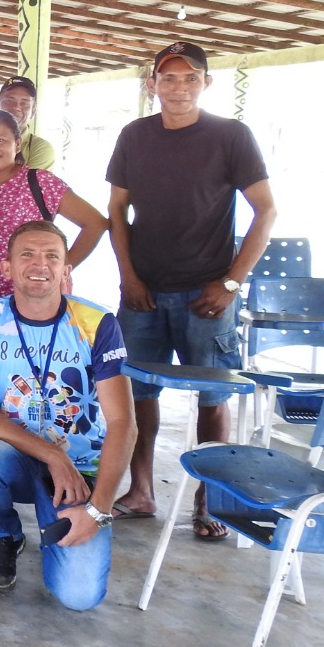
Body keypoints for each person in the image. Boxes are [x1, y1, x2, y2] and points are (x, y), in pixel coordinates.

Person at [106, 41, 276, 533]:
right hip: (144, 293)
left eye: (190, 77)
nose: (179, 87)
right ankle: (141, 491)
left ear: (207, 82)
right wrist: (129, 277)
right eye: (168, 77)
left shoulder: (231, 136)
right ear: (152, 84)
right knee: (137, 394)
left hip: (208, 295)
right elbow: (117, 210)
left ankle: (209, 501)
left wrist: (231, 282)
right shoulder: (134, 136)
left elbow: (266, 209)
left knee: (211, 398)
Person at [0, 221, 135, 608]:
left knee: (79, 596)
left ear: (66, 270)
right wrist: (51, 454)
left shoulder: (97, 323)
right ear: (6, 268)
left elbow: (122, 423)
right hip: (11, 456)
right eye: (27, 254)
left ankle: (61, 529)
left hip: (79, 466)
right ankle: (4, 535)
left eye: (53, 256)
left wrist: (98, 509)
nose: (40, 264)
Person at [0, 110, 108, 338]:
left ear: (17, 144)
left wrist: (62, 269)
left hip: (29, 310)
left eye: (0, 139)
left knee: (28, 374)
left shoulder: (39, 182)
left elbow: (95, 223)